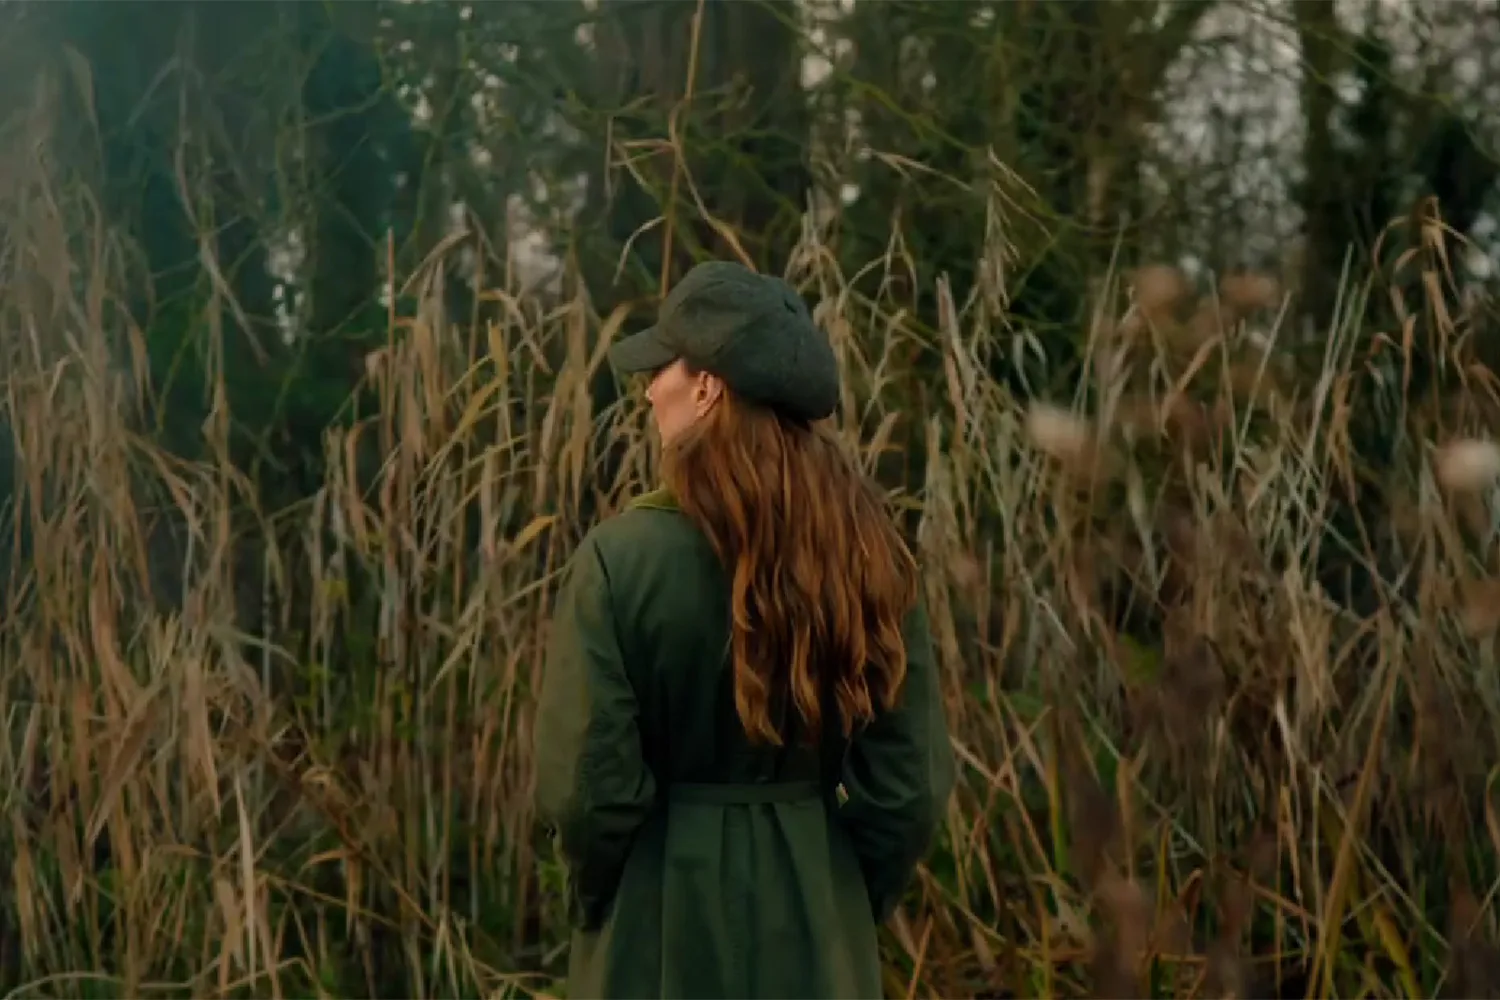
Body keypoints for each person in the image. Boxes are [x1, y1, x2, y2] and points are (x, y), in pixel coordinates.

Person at [532, 260, 956, 999]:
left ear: (706, 387)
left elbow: (588, 791)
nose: (646, 387)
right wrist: (843, 901)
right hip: (821, 935)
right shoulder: (875, 559)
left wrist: (602, 907)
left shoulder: (616, 561)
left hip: (655, 932)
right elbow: (908, 792)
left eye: (661, 366)